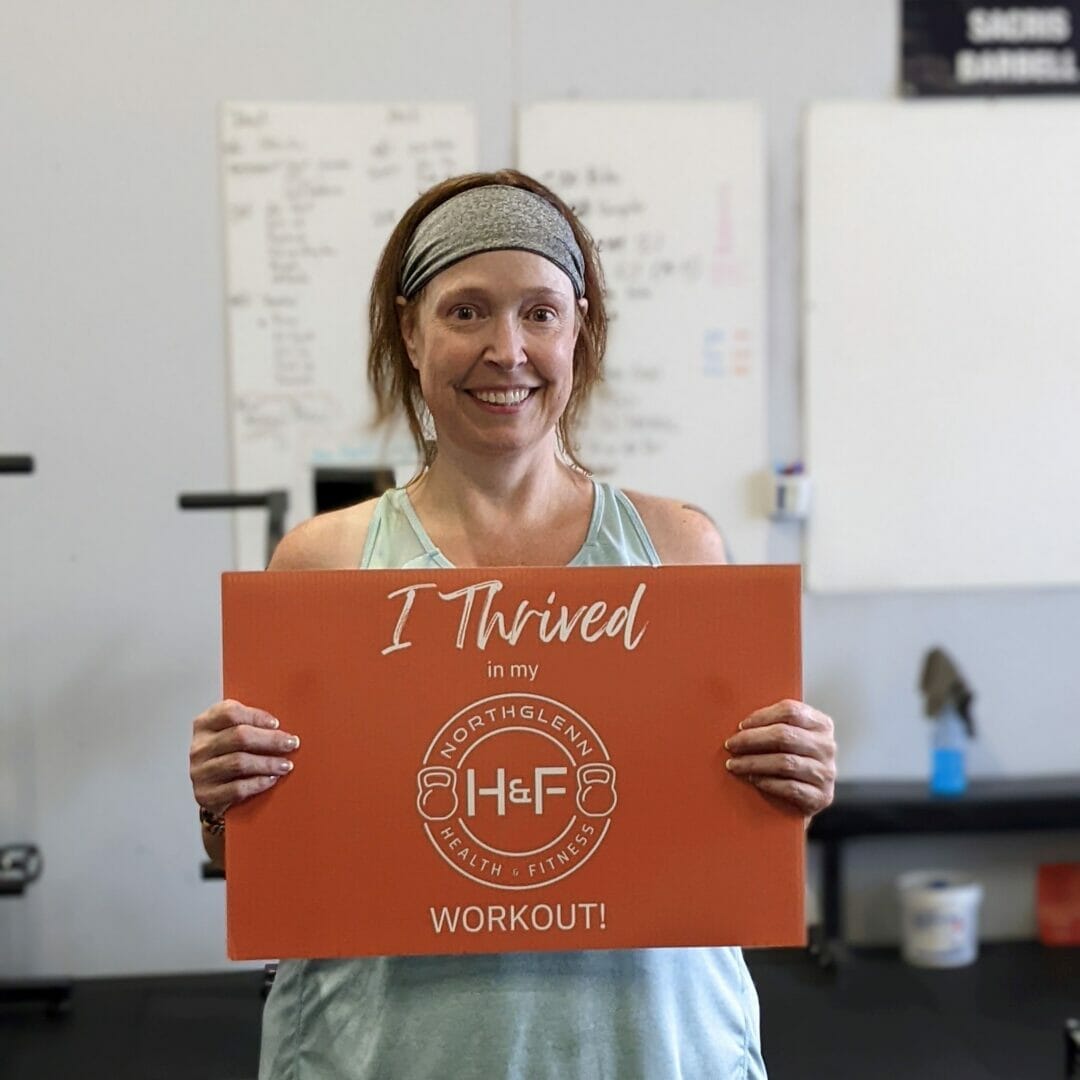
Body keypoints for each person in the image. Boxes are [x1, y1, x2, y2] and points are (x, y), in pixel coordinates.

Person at [189, 170, 836, 1079]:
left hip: (647, 1048)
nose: (508, 348)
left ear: (579, 328)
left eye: (539, 312)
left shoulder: (679, 551)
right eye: (466, 312)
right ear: (409, 332)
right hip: (386, 1052)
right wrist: (222, 798)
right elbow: (259, 850)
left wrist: (792, 778)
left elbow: (721, 834)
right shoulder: (323, 564)